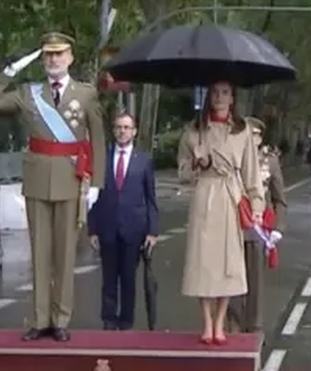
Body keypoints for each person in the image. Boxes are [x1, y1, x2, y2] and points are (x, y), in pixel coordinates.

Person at [0, 32, 106, 342]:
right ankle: (39, 319)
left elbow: (99, 139)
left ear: (70, 58)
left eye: (59, 54)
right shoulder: (28, 92)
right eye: (48, 55)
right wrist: (13, 69)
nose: (53, 60)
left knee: (64, 254)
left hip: (70, 179)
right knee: (40, 253)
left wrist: (97, 184)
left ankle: (60, 318)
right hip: (37, 180)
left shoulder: (85, 94)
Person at [177, 81, 265, 345]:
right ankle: (206, 322)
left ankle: (220, 321)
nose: (219, 97)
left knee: (229, 262)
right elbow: (182, 172)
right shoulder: (193, 131)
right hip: (205, 195)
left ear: (233, 98)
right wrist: (196, 164)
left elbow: (251, 172)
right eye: (215, 93)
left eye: (225, 93)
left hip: (230, 196)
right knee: (203, 262)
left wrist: (257, 205)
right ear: (208, 96)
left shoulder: (242, 132)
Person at [88, 112, 158, 331]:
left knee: (128, 278)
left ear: (134, 132)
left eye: (127, 127)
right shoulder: (102, 158)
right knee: (109, 278)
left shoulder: (144, 160)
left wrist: (152, 231)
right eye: (119, 127)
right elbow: (93, 196)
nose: (122, 131)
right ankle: (108, 320)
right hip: (107, 226)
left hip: (134, 228)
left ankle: (126, 321)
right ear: (114, 130)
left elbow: (150, 197)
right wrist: (92, 229)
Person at [226, 117, 286, 333]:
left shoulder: (269, 161)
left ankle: (254, 327)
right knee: (230, 280)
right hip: (231, 227)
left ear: (260, 138)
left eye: (255, 135)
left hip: (257, 229)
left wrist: (278, 228)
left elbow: (279, 198)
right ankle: (233, 325)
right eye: (246, 135)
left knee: (255, 284)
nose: (250, 139)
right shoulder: (231, 159)